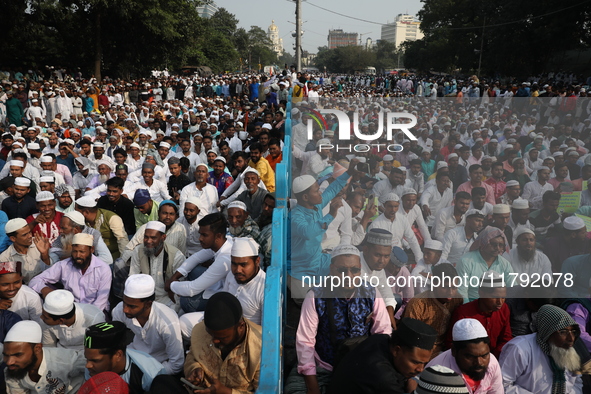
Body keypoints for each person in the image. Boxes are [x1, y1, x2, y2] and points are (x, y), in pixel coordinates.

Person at [285, 244, 392, 394]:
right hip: (324, 366)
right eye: (342, 270)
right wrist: (312, 385)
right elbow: (305, 341)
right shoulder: (316, 296)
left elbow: (383, 333)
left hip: (360, 365)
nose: (348, 276)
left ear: (360, 269)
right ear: (331, 269)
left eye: (354, 270)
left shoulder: (371, 293)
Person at [149, 292, 262, 393]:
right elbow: (191, 358)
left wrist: (226, 392)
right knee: (162, 382)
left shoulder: (261, 348)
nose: (214, 340)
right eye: (211, 334)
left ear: (240, 327)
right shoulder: (200, 330)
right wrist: (195, 370)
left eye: (222, 337)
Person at [289, 160, 357, 299]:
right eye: (316, 190)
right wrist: (331, 215)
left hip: (319, 260)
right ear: (306, 197)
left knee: (348, 269)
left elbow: (333, 189)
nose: (320, 192)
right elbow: (308, 232)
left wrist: (349, 172)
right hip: (302, 270)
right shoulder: (296, 216)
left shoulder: (316, 205)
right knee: (311, 303)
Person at [178, 237, 266, 343]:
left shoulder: (265, 289)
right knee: (183, 323)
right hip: (221, 320)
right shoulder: (232, 275)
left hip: (244, 335)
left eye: (243, 265)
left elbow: (265, 332)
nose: (238, 270)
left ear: (257, 261)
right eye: (234, 264)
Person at [329, 317, 438, 394]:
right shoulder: (384, 379)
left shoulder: (381, 339)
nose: (420, 369)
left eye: (424, 363)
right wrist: (412, 391)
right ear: (396, 350)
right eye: (415, 362)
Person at [498, 304, 584, 393]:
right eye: (563, 332)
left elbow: (576, 382)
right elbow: (502, 385)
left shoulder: (569, 349)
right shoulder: (519, 348)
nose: (571, 338)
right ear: (547, 331)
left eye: (573, 331)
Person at [112, 274, 183, 375]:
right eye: (124, 303)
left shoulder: (167, 322)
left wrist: (147, 376)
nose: (125, 309)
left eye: (132, 306)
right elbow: (115, 342)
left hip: (159, 365)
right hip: (132, 357)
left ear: (148, 304)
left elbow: (177, 364)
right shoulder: (119, 310)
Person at [167, 213, 232, 313]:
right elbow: (195, 258)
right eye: (200, 234)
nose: (200, 238)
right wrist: (174, 277)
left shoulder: (225, 258)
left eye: (204, 235)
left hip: (224, 295)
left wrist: (171, 285)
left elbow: (192, 289)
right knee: (194, 270)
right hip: (217, 282)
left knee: (187, 302)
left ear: (218, 236)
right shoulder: (223, 242)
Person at [29, 233, 112, 312]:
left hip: (96, 310)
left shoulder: (103, 269)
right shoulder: (64, 265)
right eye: (75, 251)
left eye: (82, 252)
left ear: (92, 250)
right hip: (70, 310)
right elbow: (35, 281)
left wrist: (85, 317)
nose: (78, 255)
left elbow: (101, 302)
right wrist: (45, 290)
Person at [83, 321, 166, 393]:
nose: (88, 365)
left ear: (118, 355)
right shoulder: (93, 368)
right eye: (87, 359)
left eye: (95, 361)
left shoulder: (151, 374)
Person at [427, 319, 504, 394]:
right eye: (471, 357)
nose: (479, 363)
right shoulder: (437, 373)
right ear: (454, 351)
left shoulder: (492, 363)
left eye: (484, 355)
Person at [403, 263, 463, 359]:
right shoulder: (419, 303)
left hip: (446, 351)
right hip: (420, 351)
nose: (450, 292)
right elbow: (410, 337)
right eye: (445, 287)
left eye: (454, 287)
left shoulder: (457, 300)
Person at [449, 272, 512, 358]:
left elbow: (506, 338)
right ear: (481, 293)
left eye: (503, 297)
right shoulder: (463, 313)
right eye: (495, 297)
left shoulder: (504, 309)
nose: (500, 302)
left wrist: (492, 357)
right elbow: (452, 344)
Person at [128, 221, 185, 310]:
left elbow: (180, 288)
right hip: (143, 298)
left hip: (167, 300)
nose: (148, 241)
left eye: (153, 238)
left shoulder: (176, 255)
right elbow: (133, 277)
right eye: (146, 237)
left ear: (163, 237)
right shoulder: (138, 250)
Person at [456, 227, 513, 302]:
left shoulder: (505, 264)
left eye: (501, 245)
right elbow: (461, 291)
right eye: (493, 244)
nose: (497, 248)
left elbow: (512, 288)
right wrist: (468, 308)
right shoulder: (466, 261)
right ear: (484, 243)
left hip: (497, 304)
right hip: (472, 303)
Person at [368, 192, 424, 264]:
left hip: (400, 256)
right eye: (390, 206)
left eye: (395, 206)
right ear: (384, 205)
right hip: (383, 259)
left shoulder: (402, 219)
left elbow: (412, 239)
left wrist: (419, 259)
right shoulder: (376, 224)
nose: (393, 210)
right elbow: (373, 248)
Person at [40, 289, 105, 350]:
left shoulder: (94, 318)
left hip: (86, 352)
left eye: (45, 317)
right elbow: (49, 346)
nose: (41, 317)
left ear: (61, 321)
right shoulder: (45, 321)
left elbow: (98, 347)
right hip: (60, 352)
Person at [76, 195, 128, 259]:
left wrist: (123, 260)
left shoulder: (111, 218)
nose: (75, 214)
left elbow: (122, 240)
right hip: (91, 254)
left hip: (113, 254)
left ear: (86, 212)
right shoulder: (80, 221)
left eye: (77, 211)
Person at [0, 218, 51, 283]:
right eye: (24, 235)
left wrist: (44, 254)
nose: (30, 236)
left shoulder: (39, 243)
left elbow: (51, 272)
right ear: (13, 238)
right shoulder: (5, 258)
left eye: (29, 232)